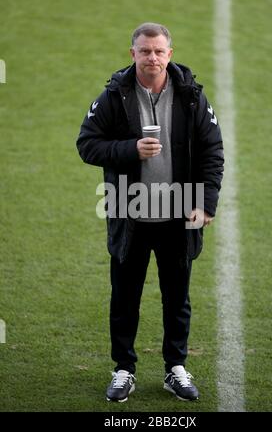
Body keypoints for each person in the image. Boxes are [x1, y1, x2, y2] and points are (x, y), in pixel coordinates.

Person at [76, 22, 224, 403]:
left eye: (159, 51)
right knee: (124, 296)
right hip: (131, 212)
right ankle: (123, 369)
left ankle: (175, 367)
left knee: (178, 298)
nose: (152, 57)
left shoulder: (192, 96)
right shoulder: (113, 96)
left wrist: (205, 203)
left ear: (170, 54)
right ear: (133, 54)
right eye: (145, 51)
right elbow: (87, 144)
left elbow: (212, 151)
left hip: (178, 212)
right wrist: (130, 150)